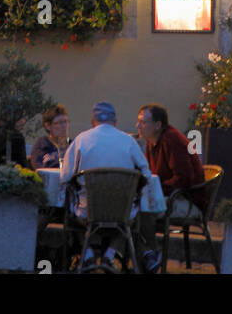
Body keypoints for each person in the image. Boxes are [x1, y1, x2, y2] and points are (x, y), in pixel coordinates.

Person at [59, 101, 158, 271]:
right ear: (115, 122)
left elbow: (65, 177)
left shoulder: (81, 140)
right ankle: (109, 255)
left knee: (69, 206)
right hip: (121, 212)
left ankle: (88, 255)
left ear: (93, 121)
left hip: (87, 212)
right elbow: (146, 173)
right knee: (128, 219)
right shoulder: (129, 141)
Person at [137, 103, 205, 213]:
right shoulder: (152, 141)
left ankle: (145, 230)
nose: (138, 126)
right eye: (138, 121)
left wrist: (154, 191)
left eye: (143, 122)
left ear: (158, 125)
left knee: (142, 208)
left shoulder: (171, 141)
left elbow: (183, 179)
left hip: (187, 200)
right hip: (169, 195)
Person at [30, 104, 71, 169]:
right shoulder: (42, 145)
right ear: (48, 126)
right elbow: (40, 168)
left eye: (66, 122)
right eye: (60, 122)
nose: (64, 126)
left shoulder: (73, 145)